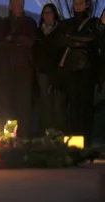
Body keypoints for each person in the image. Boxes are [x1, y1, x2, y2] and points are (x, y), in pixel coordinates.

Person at [57, 0, 100, 146]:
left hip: (87, 69)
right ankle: (76, 141)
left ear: (87, 5)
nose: (78, 5)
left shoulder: (93, 22)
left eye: (81, 2)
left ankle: (86, 140)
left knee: (86, 106)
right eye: (76, 2)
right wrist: (80, 42)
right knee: (73, 106)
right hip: (70, 69)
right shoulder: (66, 23)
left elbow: (92, 38)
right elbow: (61, 40)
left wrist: (72, 39)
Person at [0, 0, 37, 137]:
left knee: (23, 107)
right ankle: (8, 137)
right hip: (6, 71)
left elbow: (30, 42)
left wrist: (13, 39)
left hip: (23, 70)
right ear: (10, 5)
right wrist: (16, 42)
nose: (17, 6)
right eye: (14, 3)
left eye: (19, 3)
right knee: (7, 107)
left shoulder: (29, 23)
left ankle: (23, 137)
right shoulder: (2, 24)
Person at [33, 3, 65, 134]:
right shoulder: (38, 32)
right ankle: (47, 132)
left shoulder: (60, 30)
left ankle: (59, 132)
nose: (47, 15)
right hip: (42, 71)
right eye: (45, 12)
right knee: (45, 102)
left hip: (58, 71)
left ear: (54, 14)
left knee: (58, 103)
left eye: (49, 12)